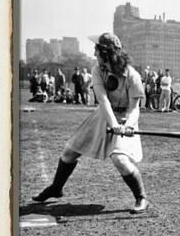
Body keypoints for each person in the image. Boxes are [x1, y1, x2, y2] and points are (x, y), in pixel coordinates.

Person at [32, 33, 149, 213]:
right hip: (103, 115)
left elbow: (135, 108)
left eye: (97, 49)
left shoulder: (133, 76)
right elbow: (103, 101)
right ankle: (56, 188)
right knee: (69, 153)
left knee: (120, 159)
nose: (94, 53)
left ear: (106, 53)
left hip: (125, 119)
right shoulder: (97, 70)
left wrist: (128, 126)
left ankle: (141, 198)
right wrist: (113, 125)